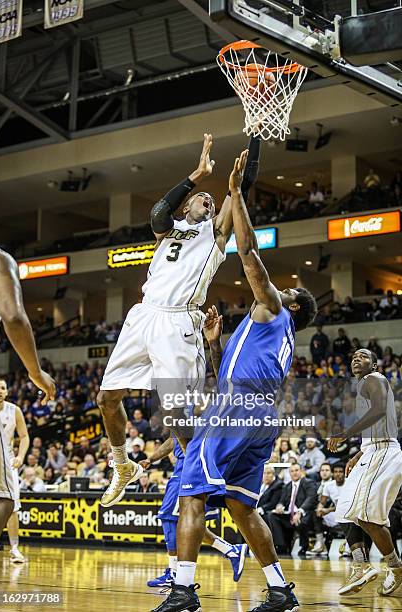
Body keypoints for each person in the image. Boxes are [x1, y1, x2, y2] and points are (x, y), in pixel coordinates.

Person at [154, 149, 317, 612]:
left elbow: (247, 254)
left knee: (190, 490)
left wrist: (234, 195)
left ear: (296, 306)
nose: (277, 287)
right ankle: (280, 589)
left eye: (287, 290)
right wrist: (212, 342)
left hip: (237, 409)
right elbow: (225, 372)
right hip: (259, 413)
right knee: (243, 508)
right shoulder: (267, 331)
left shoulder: (276, 309)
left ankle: (183, 590)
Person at [97, 133, 261, 508]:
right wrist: (198, 175)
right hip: (144, 314)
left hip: (180, 322)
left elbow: (243, 187)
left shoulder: (215, 234)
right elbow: (157, 212)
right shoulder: (169, 229)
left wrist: (255, 132)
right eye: (203, 198)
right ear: (187, 205)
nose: (209, 200)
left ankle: (194, 475)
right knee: (106, 399)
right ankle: (122, 465)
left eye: (212, 200)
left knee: (173, 410)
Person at [0, 247, 55, 548]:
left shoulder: (14, 409)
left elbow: (25, 436)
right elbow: (14, 317)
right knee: (4, 497)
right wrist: (35, 372)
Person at [329, 349, 402, 597]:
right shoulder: (364, 385)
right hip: (372, 451)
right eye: (353, 357)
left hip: (383, 453)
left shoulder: (375, 379)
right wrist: (360, 452)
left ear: (374, 364)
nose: (356, 359)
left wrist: (345, 434)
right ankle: (360, 564)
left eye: (363, 356)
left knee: (370, 518)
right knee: (345, 509)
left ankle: (395, 567)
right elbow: (380, 426)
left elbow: (380, 411)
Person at [141, 436, 248, 588]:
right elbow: (173, 439)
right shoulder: (181, 418)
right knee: (190, 526)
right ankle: (231, 551)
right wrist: (150, 459)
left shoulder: (195, 414)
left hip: (190, 465)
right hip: (187, 466)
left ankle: (173, 572)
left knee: (168, 517)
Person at [0, 378, 30, 563]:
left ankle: (15, 548)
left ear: (7, 391)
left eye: (2, 388)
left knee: (12, 508)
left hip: (8, 464)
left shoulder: (14, 410)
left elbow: (24, 437)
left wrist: (21, 457)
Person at [268, 463, 318, 557]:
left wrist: (300, 511)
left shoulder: (308, 483)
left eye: (296, 470)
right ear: (289, 473)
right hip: (289, 514)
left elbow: (311, 498)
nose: (294, 473)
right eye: (292, 471)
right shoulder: (287, 486)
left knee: (301, 519)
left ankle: (304, 546)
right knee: (272, 515)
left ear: (301, 472)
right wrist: (279, 506)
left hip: (302, 513)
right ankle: (281, 546)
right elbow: (281, 501)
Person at [309, 463, 346, 555]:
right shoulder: (329, 485)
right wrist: (320, 509)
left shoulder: (349, 483)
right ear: (332, 474)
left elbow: (346, 506)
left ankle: (349, 545)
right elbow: (322, 502)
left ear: (345, 473)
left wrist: (328, 510)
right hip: (336, 514)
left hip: (349, 514)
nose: (338, 474)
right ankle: (320, 543)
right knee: (316, 513)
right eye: (336, 472)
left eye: (340, 472)